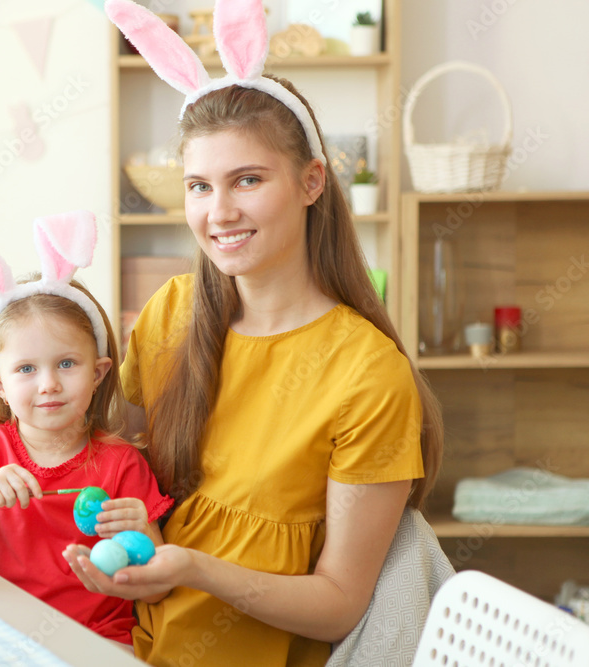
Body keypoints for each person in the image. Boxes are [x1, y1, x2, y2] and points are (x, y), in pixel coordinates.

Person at [62, 2, 445, 665]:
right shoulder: (172, 312)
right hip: (126, 641)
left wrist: (196, 568)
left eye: (247, 180)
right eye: (199, 186)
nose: (220, 212)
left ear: (311, 182)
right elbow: (111, 461)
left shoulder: (367, 373)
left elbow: (340, 602)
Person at [0, 196, 174, 647]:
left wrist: (143, 532)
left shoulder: (121, 464)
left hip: (100, 640)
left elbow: (159, 586)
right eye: (27, 369)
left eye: (67, 364)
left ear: (98, 373)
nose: (48, 384)